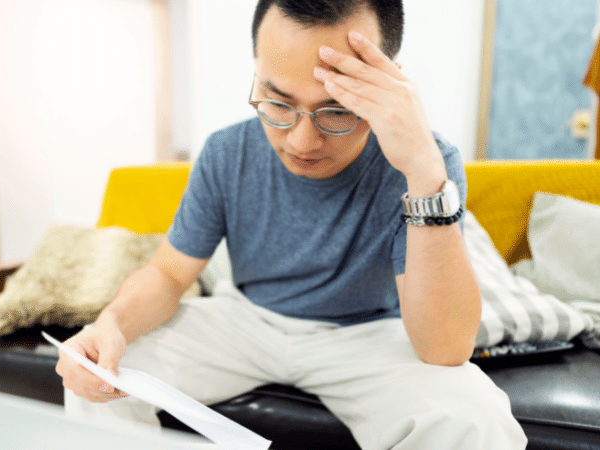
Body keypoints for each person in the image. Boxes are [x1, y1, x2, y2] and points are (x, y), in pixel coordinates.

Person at [56, 1, 528, 448]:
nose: (302, 141)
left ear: (387, 83)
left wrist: (423, 174)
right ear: (257, 76)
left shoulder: (428, 163)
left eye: (338, 108)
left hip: (367, 335)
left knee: (475, 421)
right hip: (245, 319)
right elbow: (168, 273)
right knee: (95, 373)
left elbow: (445, 348)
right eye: (278, 103)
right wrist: (112, 326)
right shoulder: (226, 152)